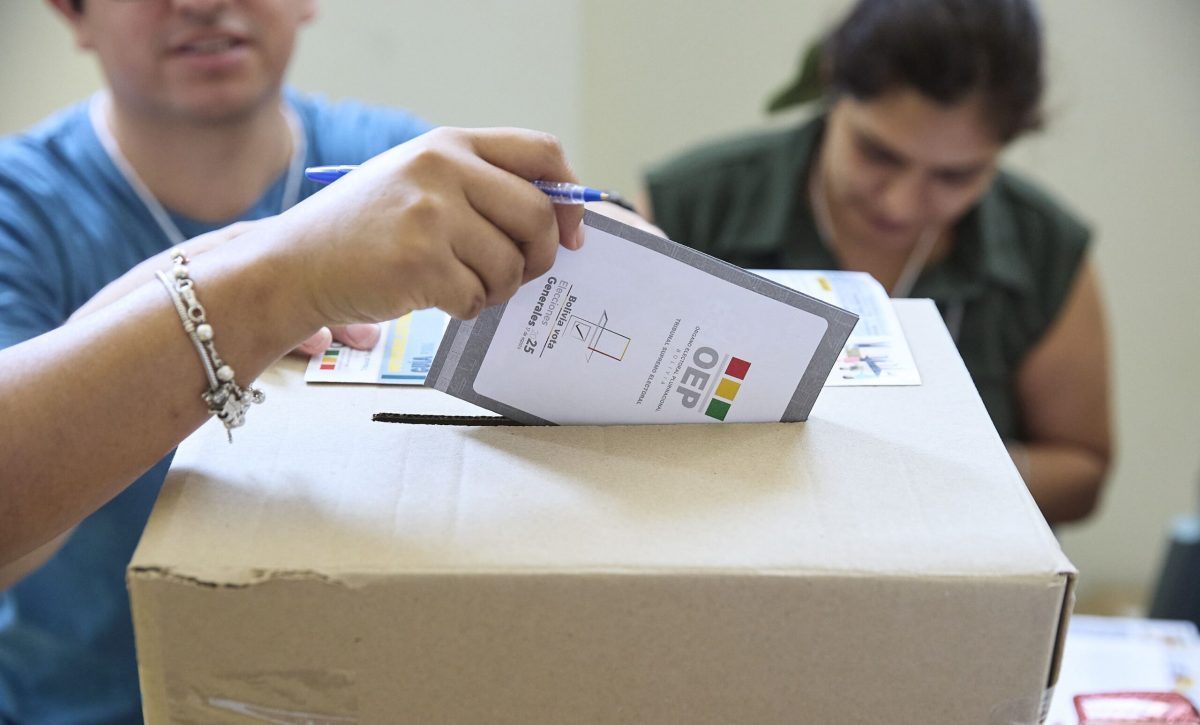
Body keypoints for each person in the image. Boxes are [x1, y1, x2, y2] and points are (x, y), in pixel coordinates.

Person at [0, 1, 585, 722]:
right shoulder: (20, 209)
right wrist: (282, 280)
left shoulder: (389, 161)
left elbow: (587, 239)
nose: (202, 4)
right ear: (72, 12)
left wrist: (599, 240)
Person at [643, 0, 1111, 527]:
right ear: (833, 87)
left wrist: (933, 475)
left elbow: (1083, 473)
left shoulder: (1043, 249)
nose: (902, 204)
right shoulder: (694, 207)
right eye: (878, 154)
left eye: (955, 177)